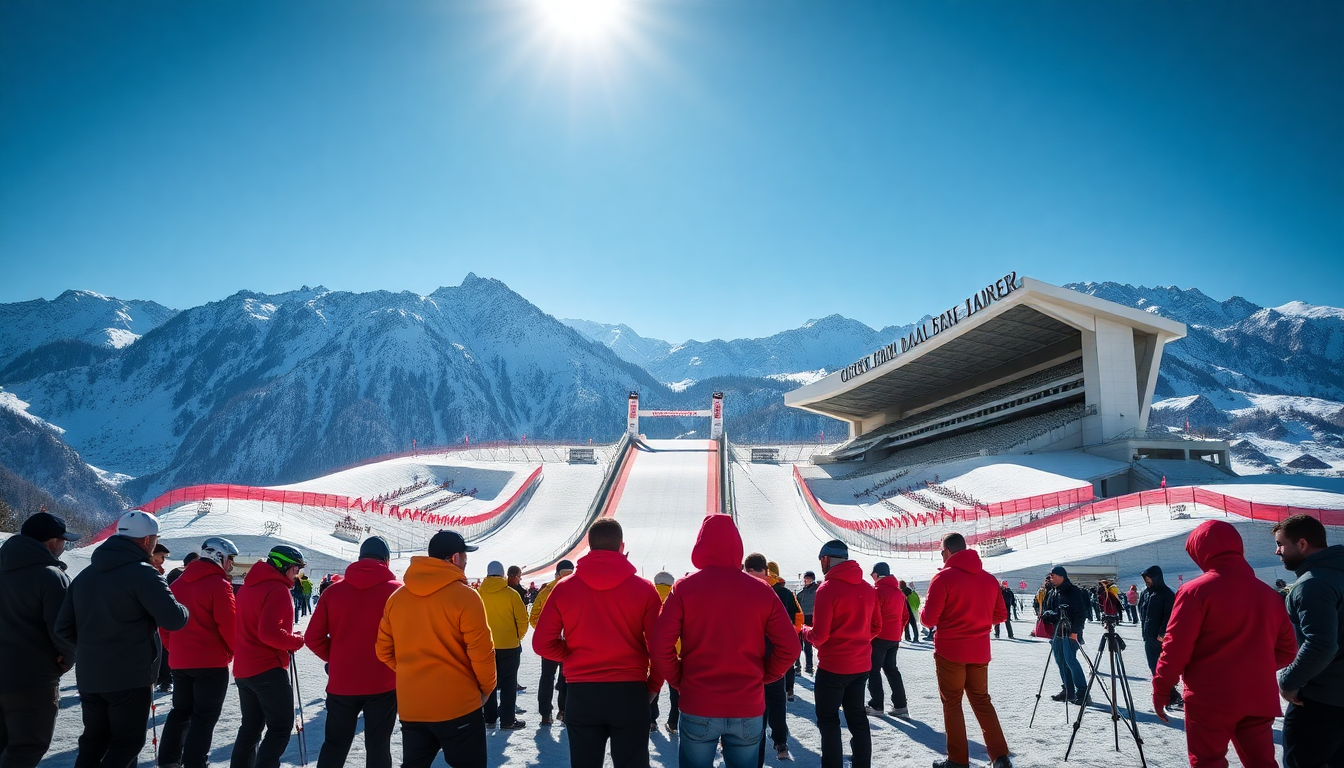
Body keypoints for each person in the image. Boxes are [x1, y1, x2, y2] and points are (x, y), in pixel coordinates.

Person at [651, 521, 796, 768]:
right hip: (747, 703)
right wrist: (764, 675)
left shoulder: (684, 588)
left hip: (699, 700)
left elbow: (659, 645)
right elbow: (790, 646)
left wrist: (679, 679)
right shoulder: (761, 590)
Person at [1152, 520, 1297, 768]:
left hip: (1209, 697)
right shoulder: (1269, 595)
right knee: (1261, 762)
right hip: (1258, 695)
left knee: (1208, 762)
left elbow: (1175, 649)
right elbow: (1287, 650)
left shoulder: (1194, 591)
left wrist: (1161, 689)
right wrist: (1252, 668)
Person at [55, 510, 189, 768]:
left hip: (90, 675)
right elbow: (174, 619)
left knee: (94, 742)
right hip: (130, 676)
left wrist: (91, 650)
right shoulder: (143, 574)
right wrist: (185, 607)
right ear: (147, 540)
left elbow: (63, 628)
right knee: (127, 743)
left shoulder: (86, 575)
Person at [533, 519, 663, 768]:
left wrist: (572, 656)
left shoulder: (563, 588)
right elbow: (659, 647)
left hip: (582, 693)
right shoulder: (645, 589)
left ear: (589, 546)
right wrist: (653, 685)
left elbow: (541, 643)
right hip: (630, 691)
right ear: (621, 546)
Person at [377, 530, 495, 768]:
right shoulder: (466, 597)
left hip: (413, 706)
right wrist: (485, 689)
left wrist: (411, 673)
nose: (466, 561)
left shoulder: (397, 598)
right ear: (455, 558)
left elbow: (383, 651)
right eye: (464, 555)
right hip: (458, 704)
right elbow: (482, 653)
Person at [305, 536, 402, 768]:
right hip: (383, 681)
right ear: (386, 560)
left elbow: (312, 638)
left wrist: (337, 658)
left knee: (335, 745)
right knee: (378, 746)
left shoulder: (333, 592)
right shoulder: (398, 592)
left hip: (342, 682)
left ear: (359, 559)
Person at [920, 533, 1012, 768]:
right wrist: (977, 620)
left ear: (948, 551)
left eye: (942, 551)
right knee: (982, 701)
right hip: (979, 651)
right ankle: (1000, 756)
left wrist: (925, 612)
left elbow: (928, 620)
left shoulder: (943, 578)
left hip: (950, 651)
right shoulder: (989, 579)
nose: (941, 555)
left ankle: (957, 760)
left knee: (952, 703)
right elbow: (1001, 615)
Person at [0, 511, 79, 768]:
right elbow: (63, 629)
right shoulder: (50, 576)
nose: (64, 546)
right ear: (52, 542)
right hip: (31, 679)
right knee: (27, 746)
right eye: (64, 540)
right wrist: (67, 660)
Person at [159, 536, 239, 768]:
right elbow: (229, 626)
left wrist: (174, 650)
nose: (231, 565)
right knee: (204, 718)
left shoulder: (177, 584)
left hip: (180, 662)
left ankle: (168, 761)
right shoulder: (219, 585)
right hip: (211, 663)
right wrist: (231, 652)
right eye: (230, 559)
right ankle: (195, 763)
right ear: (219, 557)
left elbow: (165, 625)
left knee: (180, 712)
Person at [800, 539, 881, 768]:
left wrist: (803, 630)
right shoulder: (867, 588)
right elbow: (877, 626)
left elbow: (819, 636)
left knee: (828, 722)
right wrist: (857, 641)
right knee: (858, 719)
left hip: (833, 668)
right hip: (860, 666)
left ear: (826, 559)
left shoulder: (827, 589)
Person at [1272, 514, 1344, 768]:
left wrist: (1288, 680)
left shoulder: (1313, 583)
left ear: (1302, 544)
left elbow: (1321, 644)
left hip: (1321, 701)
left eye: (1281, 544)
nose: (1277, 552)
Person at [232, 544, 308, 768]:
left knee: (250, 728)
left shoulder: (249, 586)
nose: (297, 574)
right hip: (267, 669)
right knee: (280, 727)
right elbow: (269, 633)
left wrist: (289, 637)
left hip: (244, 668)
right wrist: (295, 641)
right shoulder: (277, 589)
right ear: (283, 566)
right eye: (296, 569)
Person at [479, 560, 528, 730]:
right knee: (508, 683)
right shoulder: (511, 594)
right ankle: (507, 720)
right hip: (509, 645)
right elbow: (522, 620)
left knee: (489, 682)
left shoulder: (479, 593)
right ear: (503, 574)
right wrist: (517, 637)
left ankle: (489, 718)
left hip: (486, 645)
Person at [529, 559, 574, 726]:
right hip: (570, 642)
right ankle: (564, 711)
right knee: (567, 677)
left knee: (547, 677)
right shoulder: (577, 589)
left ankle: (545, 714)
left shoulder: (546, 591)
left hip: (550, 643)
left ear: (556, 573)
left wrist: (546, 632)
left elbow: (533, 617)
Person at [867, 563, 909, 718]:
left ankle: (877, 705)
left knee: (873, 670)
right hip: (894, 637)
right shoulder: (899, 593)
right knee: (891, 669)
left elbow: (872, 616)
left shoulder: (877, 592)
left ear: (876, 575)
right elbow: (905, 616)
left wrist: (868, 635)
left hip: (879, 637)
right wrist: (898, 631)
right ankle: (901, 706)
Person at [1043, 566, 1089, 705]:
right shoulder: (1053, 592)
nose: (1051, 578)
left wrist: (1075, 631)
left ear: (1061, 576)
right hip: (1057, 631)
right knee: (1060, 661)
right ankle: (1068, 690)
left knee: (1070, 661)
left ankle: (1082, 692)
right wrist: (1050, 615)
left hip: (1070, 632)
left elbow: (1081, 613)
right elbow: (1048, 609)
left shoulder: (1073, 591)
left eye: (1053, 576)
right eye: (1050, 576)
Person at [1138, 566, 1181, 710]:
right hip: (1148, 635)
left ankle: (1170, 694)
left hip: (1161, 637)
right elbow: (1142, 611)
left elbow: (1170, 615)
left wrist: (1163, 632)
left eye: (1148, 578)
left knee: (1162, 668)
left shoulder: (1166, 594)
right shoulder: (1145, 593)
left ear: (1156, 578)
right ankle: (1168, 694)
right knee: (1153, 666)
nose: (1146, 581)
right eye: (1145, 579)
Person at [649, 571, 680, 735]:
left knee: (653, 684)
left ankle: (651, 720)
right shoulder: (676, 597)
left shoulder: (649, 596)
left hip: (651, 649)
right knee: (675, 688)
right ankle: (673, 722)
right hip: (676, 650)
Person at [795, 571, 819, 674]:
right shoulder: (802, 592)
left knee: (808, 644)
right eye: (805, 578)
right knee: (798, 643)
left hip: (810, 618)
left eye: (808, 578)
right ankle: (797, 665)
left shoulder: (816, 591)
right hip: (800, 618)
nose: (806, 580)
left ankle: (809, 666)